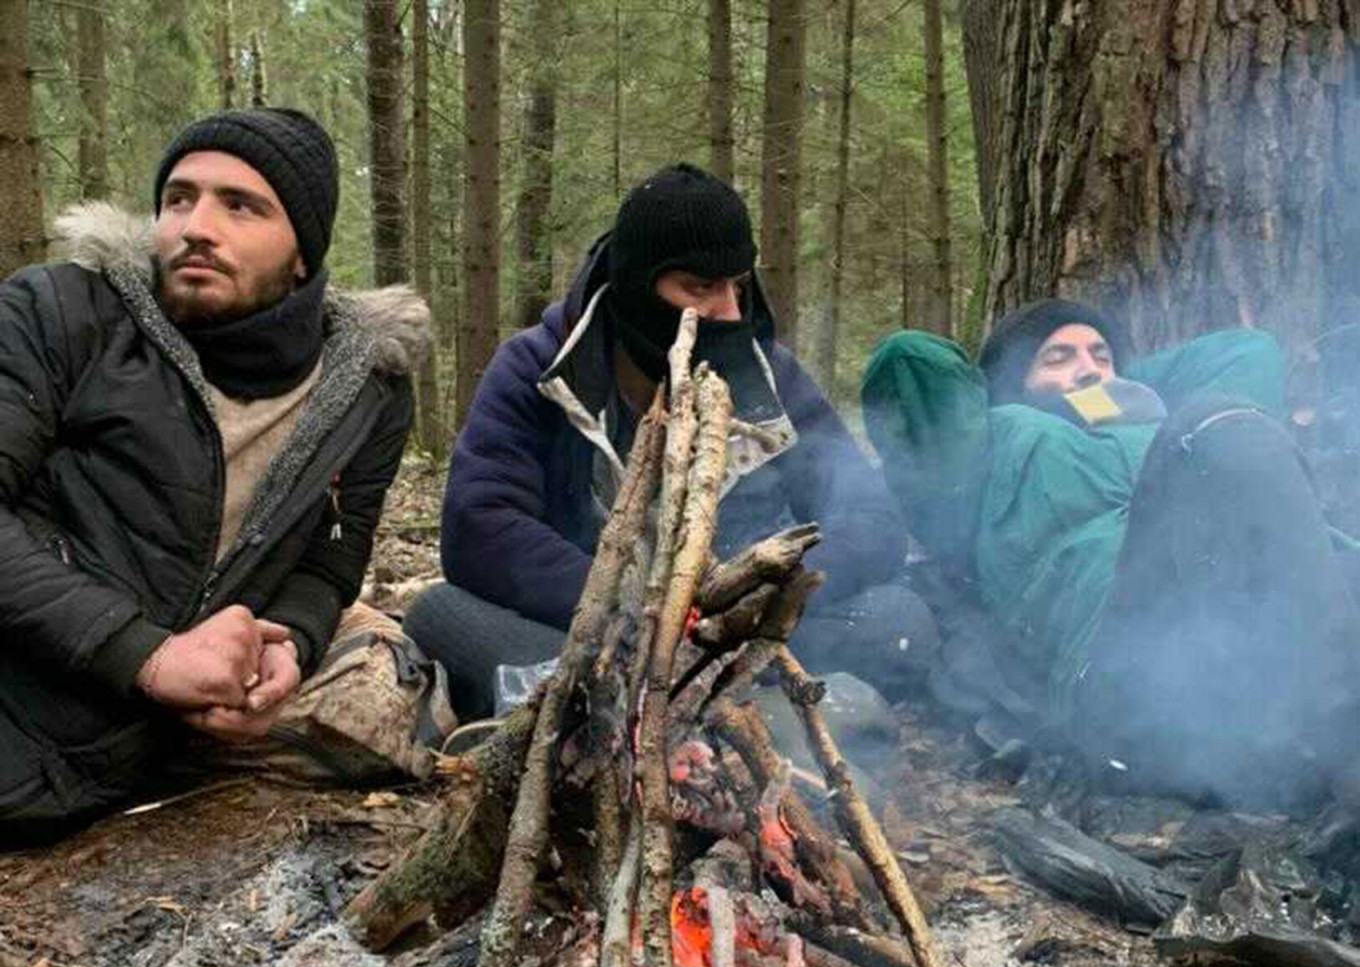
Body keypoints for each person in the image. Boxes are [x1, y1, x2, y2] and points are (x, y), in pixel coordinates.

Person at [0, 107, 430, 842]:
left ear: (304, 252)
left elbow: (332, 554)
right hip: (29, 697)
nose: (197, 225)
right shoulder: (61, 313)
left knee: (404, 696)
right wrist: (149, 655)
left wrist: (289, 646)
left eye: (241, 205)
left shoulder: (367, 389)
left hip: (151, 743)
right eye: (179, 198)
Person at [407, 163, 935, 720]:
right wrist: (634, 604)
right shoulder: (537, 367)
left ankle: (622, 716)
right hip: (590, 633)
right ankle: (664, 713)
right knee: (438, 614)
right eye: (700, 287)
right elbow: (480, 526)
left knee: (899, 621)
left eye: (737, 284)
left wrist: (753, 594)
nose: (729, 311)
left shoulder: (767, 376)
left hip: (735, 635)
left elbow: (871, 519)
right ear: (638, 286)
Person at [863, 298, 1360, 809]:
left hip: (1270, 629)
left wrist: (1115, 393)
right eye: (1056, 357)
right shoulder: (981, 447)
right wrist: (1037, 396)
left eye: (1102, 354)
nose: (1089, 367)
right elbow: (909, 360)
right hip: (1131, 671)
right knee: (1220, 424)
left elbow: (1247, 350)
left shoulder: (1156, 423)